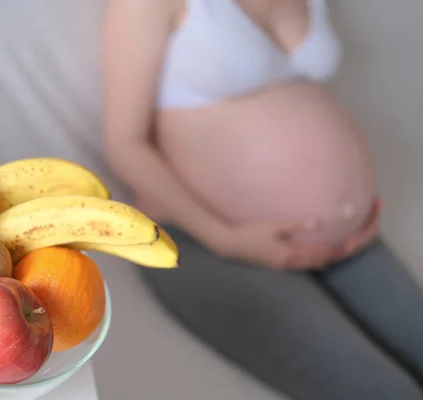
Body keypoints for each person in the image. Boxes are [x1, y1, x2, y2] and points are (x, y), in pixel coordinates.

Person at [101, 0, 423, 399]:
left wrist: (343, 201)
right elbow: (125, 146)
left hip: (342, 243)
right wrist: (225, 237)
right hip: (204, 242)